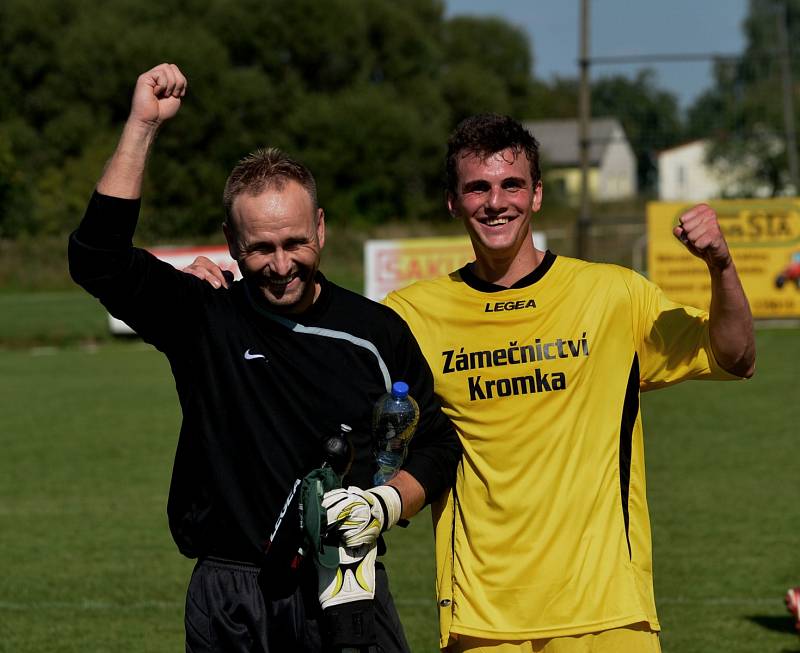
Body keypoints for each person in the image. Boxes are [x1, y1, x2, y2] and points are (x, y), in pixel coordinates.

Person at [187, 113, 756, 653]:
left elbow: (735, 356)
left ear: (536, 194)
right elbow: (315, 339)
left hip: (609, 611)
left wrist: (721, 267)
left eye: (512, 184)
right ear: (453, 201)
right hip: (481, 617)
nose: (496, 201)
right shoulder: (412, 315)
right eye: (478, 188)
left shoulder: (613, 296)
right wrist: (219, 302)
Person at [68, 63, 461, 653]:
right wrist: (143, 125)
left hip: (346, 584)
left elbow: (436, 443)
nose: (281, 264)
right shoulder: (205, 316)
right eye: (261, 248)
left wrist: (384, 504)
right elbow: (96, 257)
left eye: (295, 242)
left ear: (321, 229)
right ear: (231, 244)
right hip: (232, 596)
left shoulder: (376, 332)